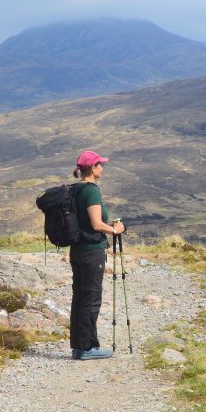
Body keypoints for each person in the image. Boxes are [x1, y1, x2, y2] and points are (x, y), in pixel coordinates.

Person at [69, 150, 125, 360]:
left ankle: (78, 347)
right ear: (92, 168)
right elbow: (96, 224)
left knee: (79, 296)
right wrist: (115, 230)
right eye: (101, 164)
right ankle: (88, 348)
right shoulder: (91, 191)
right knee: (91, 298)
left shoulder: (75, 189)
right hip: (92, 251)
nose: (102, 168)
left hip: (77, 250)